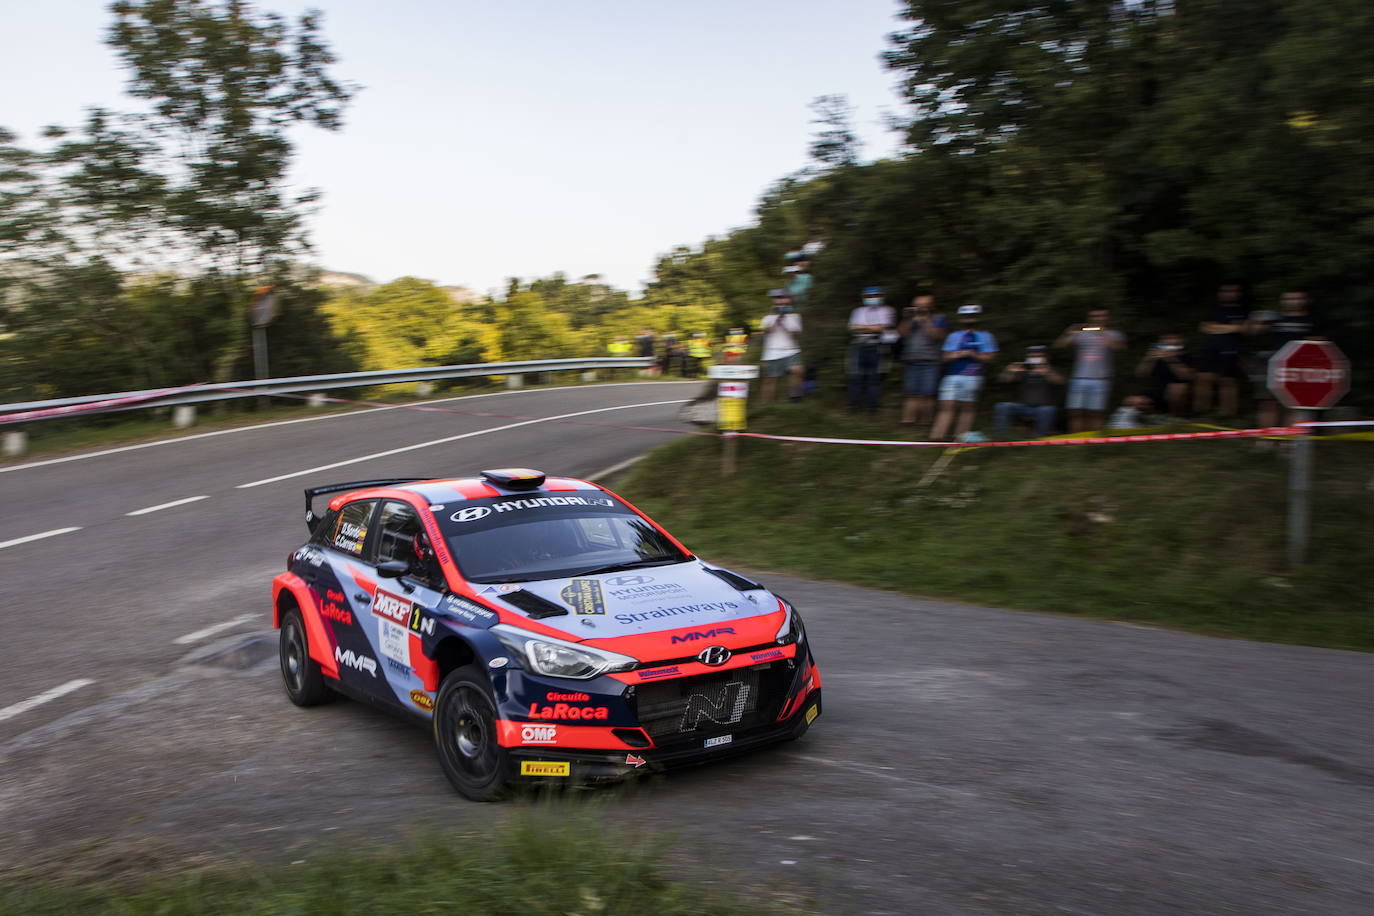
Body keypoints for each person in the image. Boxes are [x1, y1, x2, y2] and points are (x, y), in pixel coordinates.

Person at [1251, 289, 1321, 427]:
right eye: (1289, 299)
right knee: (1268, 403)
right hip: (1271, 365)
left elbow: (1318, 344)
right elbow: (1254, 332)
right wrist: (1256, 321)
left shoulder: (1312, 320)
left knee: (1291, 403)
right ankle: (1267, 439)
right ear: (1282, 302)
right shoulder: (1274, 318)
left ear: (1305, 301)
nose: (1293, 302)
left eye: (1297, 298)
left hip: (1298, 368)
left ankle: (1287, 441)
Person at [931, 304, 998, 440]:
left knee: (968, 407)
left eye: (972, 316)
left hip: (973, 376)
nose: (969, 319)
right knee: (946, 405)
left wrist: (975, 355)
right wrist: (957, 355)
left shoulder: (985, 336)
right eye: (966, 316)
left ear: (978, 317)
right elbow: (945, 356)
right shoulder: (954, 336)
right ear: (961, 318)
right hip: (952, 375)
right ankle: (936, 437)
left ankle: (959, 438)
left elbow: (991, 357)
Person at [1055, 307, 1126, 432]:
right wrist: (1070, 331)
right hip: (1079, 378)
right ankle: (1076, 444)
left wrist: (1102, 332)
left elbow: (1118, 347)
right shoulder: (1081, 334)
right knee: (1075, 412)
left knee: (1096, 413)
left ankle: (1093, 443)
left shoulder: (1113, 334)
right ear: (1090, 318)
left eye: (1102, 316)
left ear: (1107, 318)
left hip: (1101, 379)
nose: (1098, 319)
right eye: (1095, 316)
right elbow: (1060, 345)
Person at [1194, 282, 1249, 417]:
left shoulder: (1243, 310)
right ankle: (1200, 413)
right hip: (1210, 349)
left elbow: (1245, 329)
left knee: (1228, 381)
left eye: (1233, 291)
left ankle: (1228, 415)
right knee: (1203, 378)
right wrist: (1232, 328)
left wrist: (1218, 327)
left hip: (1232, 350)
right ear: (1220, 293)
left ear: (1238, 293)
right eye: (1225, 291)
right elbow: (1204, 327)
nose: (1229, 294)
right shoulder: (1213, 309)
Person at [897, 294, 949, 427]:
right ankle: (908, 420)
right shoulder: (911, 319)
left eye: (923, 305)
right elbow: (902, 334)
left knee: (928, 393)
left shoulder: (939, 318)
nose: (919, 308)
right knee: (910, 393)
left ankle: (926, 421)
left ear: (931, 306)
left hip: (930, 361)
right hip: (911, 360)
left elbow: (938, 336)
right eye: (917, 305)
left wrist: (925, 321)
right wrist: (907, 319)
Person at [993, 345, 1063, 438]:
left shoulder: (1051, 369)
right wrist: (1010, 370)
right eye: (1032, 356)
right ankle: (1001, 438)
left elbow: (1061, 381)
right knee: (1002, 406)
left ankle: (1040, 439)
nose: (1036, 358)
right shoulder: (1024, 370)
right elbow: (1005, 379)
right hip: (1023, 407)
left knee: (1047, 410)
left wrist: (1047, 372)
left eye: (1039, 356)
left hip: (1043, 407)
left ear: (1046, 357)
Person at [847, 286, 895, 412]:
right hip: (859, 345)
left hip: (878, 347)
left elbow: (882, 328)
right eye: (869, 297)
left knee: (875, 378)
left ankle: (872, 408)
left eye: (875, 296)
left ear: (881, 296)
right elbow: (852, 328)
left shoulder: (887, 310)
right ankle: (854, 407)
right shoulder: (858, 311)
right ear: (864, 298)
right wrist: (873, 328)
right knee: (855, 377)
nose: (872, 299)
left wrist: (862, 328)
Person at [1135, 330, 1195, 417]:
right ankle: (1157, 419)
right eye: (1167, 339)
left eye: (1173, 338)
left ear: (1180, 341)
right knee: (1134, 400)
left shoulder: (1187, 357)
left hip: (1181, 394)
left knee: (1176, 389)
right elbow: (1140, 374)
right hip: (1158, 390)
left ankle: (1177, 418)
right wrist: (1148, 359)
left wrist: (1170, 359)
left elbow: (1187, 376)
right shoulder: (1157, 357)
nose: (1170, 341)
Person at [759, 291, 803, 402]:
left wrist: (784, 321)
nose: (779, 300)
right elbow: (766, 331)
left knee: (797, 371)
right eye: (777, 298)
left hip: (791, 350)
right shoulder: (767, 318)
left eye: (782, 298)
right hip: (772, 352)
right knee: (770, 380)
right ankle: (767, 405)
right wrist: (777, 319)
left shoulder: (795, 317)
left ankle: (795, 399)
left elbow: (795, 335)